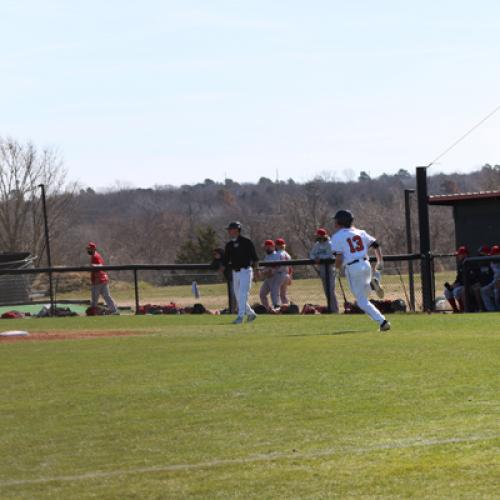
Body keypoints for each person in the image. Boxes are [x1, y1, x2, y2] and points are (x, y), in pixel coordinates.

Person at [330, 210, 390, 331]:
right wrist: (380, 260)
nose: (334, 222)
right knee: (365, 294)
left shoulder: (337, 236)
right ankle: (373, 286)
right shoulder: (360, 232)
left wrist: (336, 269)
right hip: (365, 264)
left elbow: (339, 257)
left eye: (336, 220)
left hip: (353, 267)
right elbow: (376, 244)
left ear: (340, 221)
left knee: (362, 301)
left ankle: (383, 322)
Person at [222, 221, 259, 324]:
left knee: (243, 294)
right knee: (238, 295)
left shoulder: (246, 242)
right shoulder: (229, 245)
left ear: (237, 230)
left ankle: (240, 317)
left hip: (246, 271)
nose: (229, 231)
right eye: (229, 229)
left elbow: (255, 258)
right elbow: (225, 260)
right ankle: (251, 313)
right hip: (235, 272)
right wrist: (222, 268)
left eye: (231, 229)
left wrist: (256, 271)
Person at [309, 228, 339, 313]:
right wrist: (315, 258)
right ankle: (330, 309)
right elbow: (311, 254)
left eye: (318, 235)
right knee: (326, 290)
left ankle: (335, 310)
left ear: (323, 236)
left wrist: (320, 258)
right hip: (322, 269)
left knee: (331, 290)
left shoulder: (330, 244)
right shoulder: (317, 244)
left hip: (330, 269)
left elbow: (330, 255)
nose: (317, 237)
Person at [86, 242, 118, 314]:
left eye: (90, 248)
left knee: (94, 299)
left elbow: (100, 266)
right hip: (103, 279)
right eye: (88, 248)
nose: (88, 250)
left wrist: (94, 267)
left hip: (99, 280)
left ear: (93, 249)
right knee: (107, 296)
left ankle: (93, 312)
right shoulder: (96, 255)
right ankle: (114, 310)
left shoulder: (95, 256)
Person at [259, 240, 283, 311]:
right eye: (266, 247)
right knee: (262, 293)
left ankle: (277, 308)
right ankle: (267, 309)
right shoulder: (267, 256)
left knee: (274, 293)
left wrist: (265, 272)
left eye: (268, 247)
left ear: (273, 247)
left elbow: (274, 268)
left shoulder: (277, 254)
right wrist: (260, 271)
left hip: (276, 276)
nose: (266, 248)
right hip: (268, 277)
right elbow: (265, 268)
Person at [210, 248, 236, 313]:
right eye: (214, 254)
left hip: (236, 278)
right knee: (233, 295)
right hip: (230, 279)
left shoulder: (227, 258)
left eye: (216, 254)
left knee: (235, 295)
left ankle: (235, 310)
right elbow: (212, 266)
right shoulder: (218, 260)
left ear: (220, 253)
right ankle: (233, 310)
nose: (214, 255)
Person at [444, 246, 468, 313]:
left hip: (467, 285)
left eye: (460, 254)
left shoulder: (468, 263)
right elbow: (458, 279)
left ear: (465, 254)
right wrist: (453, 285)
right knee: (447, 291)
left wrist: (457, 285)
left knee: (456, 291)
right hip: (460, 285)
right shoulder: (460, 264)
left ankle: (462, 309)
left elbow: (471, 279)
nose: (458, 256)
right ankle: (455, 310)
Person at [469, 245, 492, 311]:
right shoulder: (478, 263)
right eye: (480, 254)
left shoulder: (493, 262)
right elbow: (476, 276)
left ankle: (484, 309)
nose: (480, 256)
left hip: (491, 284)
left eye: (482, 254)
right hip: (482, 284)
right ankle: (479, 309)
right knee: (475, 288)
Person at [480, 245, 500, 311]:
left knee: (496, 290)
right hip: (494, 284)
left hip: (497, 285)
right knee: (484, 290)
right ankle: (492, 310)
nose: (492, 256)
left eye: (494, 254)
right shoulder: (492, 263)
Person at [275, 238, 292, 305]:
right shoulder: (287, 254)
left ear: (278, 245)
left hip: (280, 274)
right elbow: (290, 268)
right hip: (287, 275)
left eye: (276, 245)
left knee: (276, 293)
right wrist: (290, 277)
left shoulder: (277, 254)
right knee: (283, 294)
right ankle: (288, 306)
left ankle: (278, 308)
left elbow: (276, 266)